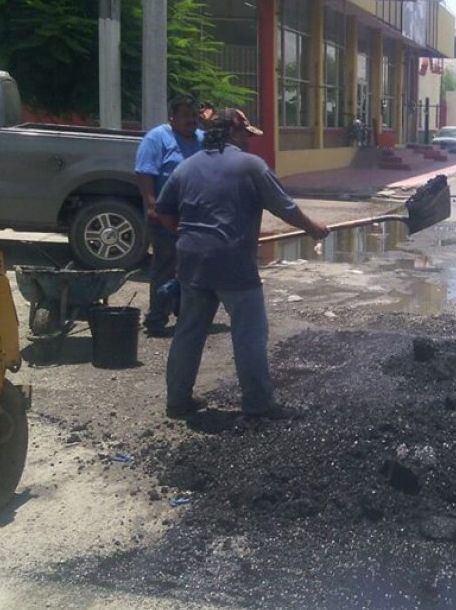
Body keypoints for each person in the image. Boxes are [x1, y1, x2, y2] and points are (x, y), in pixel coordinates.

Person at [154, 108, 330, 420]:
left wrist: (185, 233)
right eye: (246, 135)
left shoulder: (187, 166)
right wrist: (313, 228)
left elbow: (163, 211)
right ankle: (258, 404)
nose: (249, 141)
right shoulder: (251, 165)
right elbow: (285, 207)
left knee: (189, 331)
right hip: (232, 261)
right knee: (249, 334)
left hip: (192, 261)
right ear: (233, 133)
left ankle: (177, 402)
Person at [134, 95, 204, 337]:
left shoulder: (202, 140)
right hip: (166, 215)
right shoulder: (157, 138)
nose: (191, 120)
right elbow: (145, 172)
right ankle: (156, 319)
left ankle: (184, 313)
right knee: (165, 266)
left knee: (192, 267)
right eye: (185, 115)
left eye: (194, 116)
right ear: (172, 117)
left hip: (194, 216)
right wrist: (152, 205)